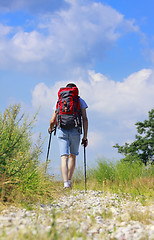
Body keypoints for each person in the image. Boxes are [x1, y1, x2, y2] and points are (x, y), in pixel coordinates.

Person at [49, 83, 88, 188]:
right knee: (72, 156)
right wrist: (85, 136)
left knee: (64, 157)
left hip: (62, 130)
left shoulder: (59, 101)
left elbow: (53, 120)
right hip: (75, 130)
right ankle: (69, 182)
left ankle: (65, 183)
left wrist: (50, 128)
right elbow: (84, 119)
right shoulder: (79, 101)